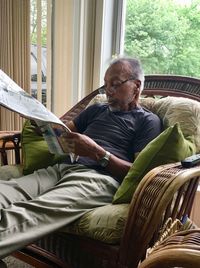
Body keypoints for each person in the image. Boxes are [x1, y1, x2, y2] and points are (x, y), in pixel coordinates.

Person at [0, 57, 162, 259]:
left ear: (136, 86)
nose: (108, 91)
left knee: (26, 214)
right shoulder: (96, 109)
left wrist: (98, 153)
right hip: (63, 169)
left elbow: (137, 173)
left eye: (115, 84)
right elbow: (64, 134)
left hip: (98, 180)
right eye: (105, 85)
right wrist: (43, 125)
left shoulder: (148, 121)